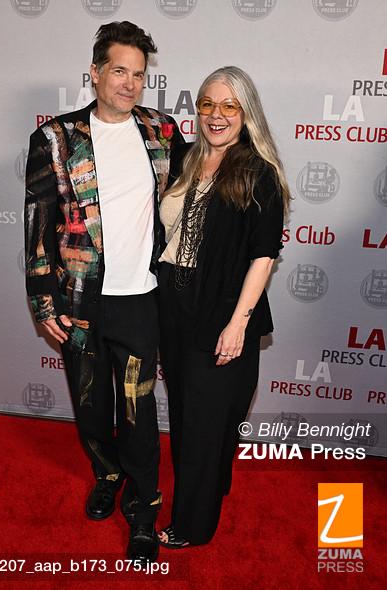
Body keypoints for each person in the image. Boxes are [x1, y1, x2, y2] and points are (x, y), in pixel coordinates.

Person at [24, 21, 184, 563]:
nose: (130, 83)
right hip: (78, 302)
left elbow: (190, 198)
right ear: (94, 73)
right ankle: (107, 474)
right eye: (119, 71)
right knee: (91, 406)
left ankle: (143, 512)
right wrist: (43, 300)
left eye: (138, 74)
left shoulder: (162, 132)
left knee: (139, 414)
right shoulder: (56, 138)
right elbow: (39, 222)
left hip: (141, 299)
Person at [157, 66, 290, 547]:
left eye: (229, 106)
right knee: (187, 414)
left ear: (246, 112)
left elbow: (263, 256)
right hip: (172, 305)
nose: (217, 115)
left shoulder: (258, 174)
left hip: (222, 312)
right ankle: (212, 485)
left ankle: (192, 526)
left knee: (204, 423)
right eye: (208, 104)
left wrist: (238, 325)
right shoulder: (184, 157)